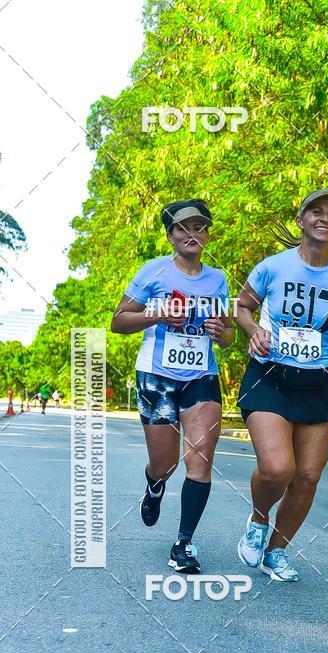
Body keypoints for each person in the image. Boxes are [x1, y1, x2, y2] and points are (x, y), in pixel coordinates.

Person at [234, 189, 328, 581]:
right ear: (301, 220)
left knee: (307, 477)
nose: (325, 218)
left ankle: (277, 551)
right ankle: (259, 521)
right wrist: (254, 329)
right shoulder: (272, 267)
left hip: (318, 383)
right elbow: (242, 306)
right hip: (270, 377)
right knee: (278, 469)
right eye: (316, 212)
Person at [111, 199, 233, 573]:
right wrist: (157, 314)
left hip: (201, 376)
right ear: (170, 236)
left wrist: (221, 332)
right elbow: (118, 320)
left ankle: (183, 543)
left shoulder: (218, 278)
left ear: (207, 236)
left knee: (200, 460)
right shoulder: (153, 272)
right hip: (157, 375)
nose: (192, 234)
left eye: (199, 228)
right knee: (164, 463)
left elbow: (227, 335)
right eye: (183, 228)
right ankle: (154, 483)